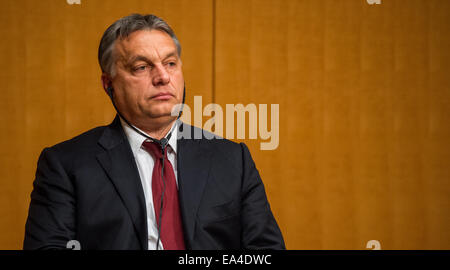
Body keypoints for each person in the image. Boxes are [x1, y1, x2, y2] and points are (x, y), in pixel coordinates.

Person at [23, 14, 285, 250]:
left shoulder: (232, 159)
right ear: (108, 83)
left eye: (170, 63)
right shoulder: (65, 165)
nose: (163, 77)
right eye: (142, 67)